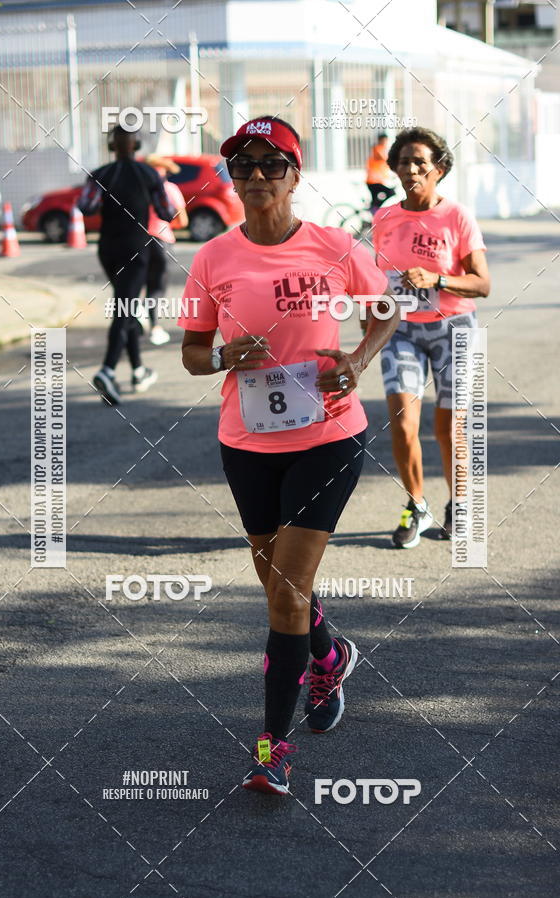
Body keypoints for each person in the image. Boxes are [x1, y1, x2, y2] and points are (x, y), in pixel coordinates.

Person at [178, 116, 399, 795]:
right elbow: (191, 353)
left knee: (288, 592)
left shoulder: (335, 246)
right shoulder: (212, 257)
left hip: (329, 435)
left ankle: (272, 749)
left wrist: (357, 360)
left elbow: (384, 308)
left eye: (271, 165)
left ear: (295, 175)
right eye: (242, 165)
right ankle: (329, 653)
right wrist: (221, 356)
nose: (255, 176)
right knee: (280, 587)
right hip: (246, 442)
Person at [372, 126, 490, 548]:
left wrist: (438, 278)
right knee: (403, 425)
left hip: (454, 329)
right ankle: (415, 505)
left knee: (450, 428)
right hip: (401, 329)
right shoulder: (384, 216)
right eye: (404, 162)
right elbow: (377, 279)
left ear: (438, 168)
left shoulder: (456, 216)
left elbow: (482, 283)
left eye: (420, 161)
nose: (412, 169)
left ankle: (458, 504)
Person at [78, 126, 175, 404]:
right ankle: (107, 370)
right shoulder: (148, 174)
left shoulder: (101, 174)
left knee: (126, 303)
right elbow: (167, 211)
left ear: (112, 146)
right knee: (126, 307)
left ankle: (138, 370)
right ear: (137, 146)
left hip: (107, 248)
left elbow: (86, 207)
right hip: (136, 248)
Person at [144, 155, 189, 346]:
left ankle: (136, 320)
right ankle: (154, 327)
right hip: (162, 240)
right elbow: (182, 220)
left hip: (138, 240)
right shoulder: (170, 189)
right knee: (156, 286)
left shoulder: (139, 188)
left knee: (139, 282)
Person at [366, 133, 396, 213]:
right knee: (391, 193)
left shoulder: (382, 149)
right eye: (384, 140)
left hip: (377, 181)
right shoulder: (377, 149)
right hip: (373, 182)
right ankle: (375, 210)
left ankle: (374, 211)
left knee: (376, 200)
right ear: (380, 140)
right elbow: (385, 159)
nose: (385, 142)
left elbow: (386, 165)